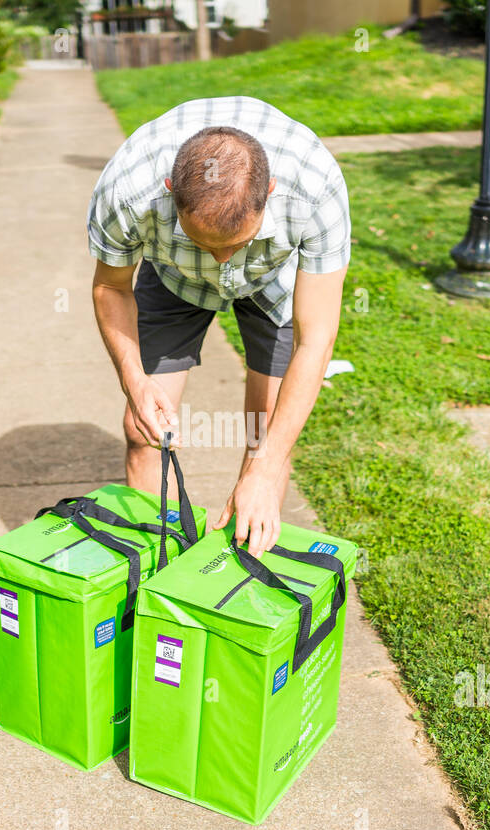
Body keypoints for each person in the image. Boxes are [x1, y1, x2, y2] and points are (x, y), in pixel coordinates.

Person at [87, 96, 350, 557]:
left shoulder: (316, 189)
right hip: (172, 275)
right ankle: (149, 570)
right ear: (170, 190)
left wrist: (264, 472)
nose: (221, 259)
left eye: (235, 243)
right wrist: (133, 379)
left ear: (269, 192)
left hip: (274, 277)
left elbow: (317, 339)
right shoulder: (127, 190)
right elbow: (111, 288)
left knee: (265, 435)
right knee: (143, 428)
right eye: (204, 242)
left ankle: (237, 581)